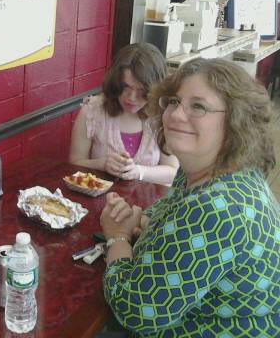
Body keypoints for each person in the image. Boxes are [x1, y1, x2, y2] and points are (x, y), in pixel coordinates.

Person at [100, 58, 280, 336]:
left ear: (237, 119)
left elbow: (135, 310)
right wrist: (143, 222)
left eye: (198, 106)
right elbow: (178, 226)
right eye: (173, 101)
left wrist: (117, 237)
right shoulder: (213, 169)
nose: (175, 115)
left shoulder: (216, 210)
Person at [69, 43, 178, 185]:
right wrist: (102, 164)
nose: (131, 97)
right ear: (115, 82)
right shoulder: (92, 111)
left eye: (142, 91)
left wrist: (139, 172)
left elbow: (172, 171)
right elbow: (74, 164)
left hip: (150, 204)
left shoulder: (163, 115)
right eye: (126, 87)